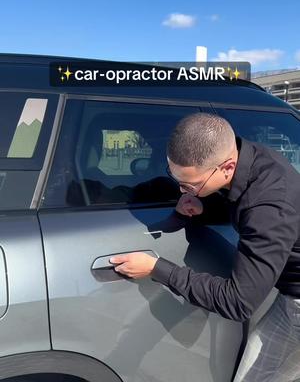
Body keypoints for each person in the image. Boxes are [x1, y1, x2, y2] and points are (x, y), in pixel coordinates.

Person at [109, 113, 300, 381]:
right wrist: (205, 205)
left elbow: (238, 302)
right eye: (176, 180)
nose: (183, 191)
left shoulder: (269, 206)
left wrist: (157, 268)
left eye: (191, 185)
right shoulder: (248, 155)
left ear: (227, 168)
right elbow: (240, 200)